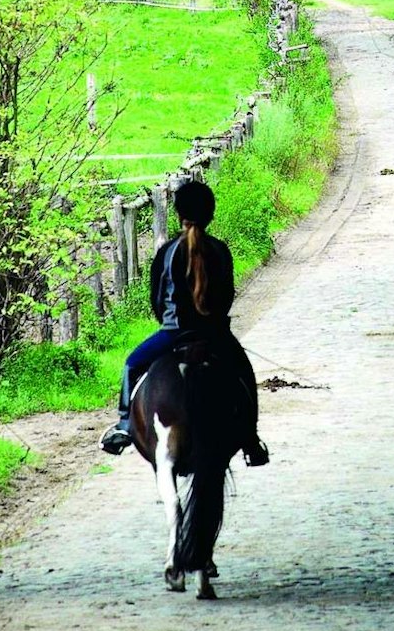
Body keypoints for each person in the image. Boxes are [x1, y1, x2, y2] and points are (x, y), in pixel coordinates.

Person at [99, 180, 270, 465]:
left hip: (173, 335)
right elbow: (227, 296)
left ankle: (125, 425)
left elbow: (157, 300)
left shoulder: (166, 253)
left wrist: (171, 324)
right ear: (210, 214)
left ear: (179, 214)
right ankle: (251, 440)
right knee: (244, 371)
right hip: (215, 337)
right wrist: (214, 326)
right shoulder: (219, 250)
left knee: (131, 364)